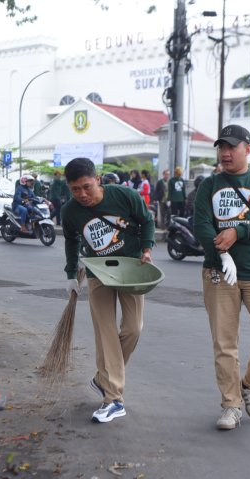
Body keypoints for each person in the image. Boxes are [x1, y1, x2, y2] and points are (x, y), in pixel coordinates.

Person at [193, 124, 250, 431]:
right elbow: (202, 225)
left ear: (247, 148)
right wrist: (221, 253)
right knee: (224, 342)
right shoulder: (210, 185)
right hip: (219, 272)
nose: (225, 153)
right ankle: (231, 404)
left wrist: (238, 231)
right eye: (221, 147)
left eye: (231, 147)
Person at [61, 157, 155, 423]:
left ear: (98, 179)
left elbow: (147, 221)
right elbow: (71, 239)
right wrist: (71, 274)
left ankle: (104, 378)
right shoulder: (70, 211)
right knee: (106, 332)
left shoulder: (125, 196)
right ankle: (113, 399)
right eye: (75, 190)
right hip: (97, 273)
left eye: (87, 187)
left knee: (133, 328)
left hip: (131, 268)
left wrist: (147, 249)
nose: (82, 194)